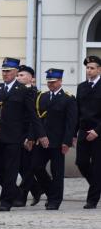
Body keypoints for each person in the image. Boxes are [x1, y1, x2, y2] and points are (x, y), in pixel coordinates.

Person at [0, 57, 39, 211]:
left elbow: (32, 116)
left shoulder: (24, 91)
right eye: (3, 71)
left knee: (11, 170)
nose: (5, 74)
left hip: (14, 137)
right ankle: (15, 193)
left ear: (16, 72)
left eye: (8, 71)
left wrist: (32, 136)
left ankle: (6, 201)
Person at [32, 68, 76, 210]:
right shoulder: (42, 97)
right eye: (49, 82)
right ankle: (51, 191)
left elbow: (71, 122)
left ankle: (55, 200)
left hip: (58, 141)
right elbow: (37, 119)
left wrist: (67, 142)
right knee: (36, 167)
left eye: (54, 82)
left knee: (57, 172)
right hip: (43, 140)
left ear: (60, 81)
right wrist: (39, 135)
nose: (51, 84)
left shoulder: (68, 99)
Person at [76, 55, 101, 209]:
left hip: (99, 132)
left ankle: (92, 199)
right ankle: (97, 186)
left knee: (98, 166)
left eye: (92, 68)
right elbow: (78, 111)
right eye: (87, 68)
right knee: (81, 162)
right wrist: (73, 133)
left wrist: (97, 131)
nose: (89, 71)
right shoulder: (82, 87)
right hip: (84, 131)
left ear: (99, 69)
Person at [15, 64, 41, 206]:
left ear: (32, 79)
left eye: (22, 75)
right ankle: (37, 189)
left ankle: (22, 196)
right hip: (17, 133)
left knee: (29, 166)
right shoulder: (16, 92)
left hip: (30, 134)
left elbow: (34, 117)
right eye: (18, 75)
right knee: (20, 165)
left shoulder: (35, 94)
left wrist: (30, 137)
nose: (19, 78)